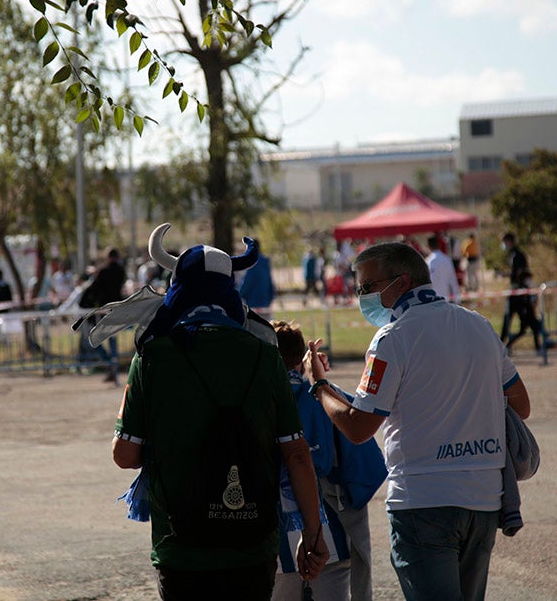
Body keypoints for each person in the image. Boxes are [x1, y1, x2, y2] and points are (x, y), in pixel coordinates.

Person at [112, 225, 328, 600]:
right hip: (252, 546)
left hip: (180, 549)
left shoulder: (152, 358)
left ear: (177, 291)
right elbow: (296, 454)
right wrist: (313, 534)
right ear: (230, 291)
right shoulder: (266, 355)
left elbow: (125, 455)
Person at [305, 241, 531, 601]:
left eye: (366, 288)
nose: (361, 296)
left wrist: (319, 386)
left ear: (402, 282)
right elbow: (521, 404)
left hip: (422, 502)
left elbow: (358, 427)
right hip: (484, 499)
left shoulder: (392, 339)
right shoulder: (480, 326)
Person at [270, 320, 378, 601]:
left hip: (276, 539)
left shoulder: (258, 403)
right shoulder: (328, 396)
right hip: (334, 535)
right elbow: (366, 466)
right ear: (301, 360)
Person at [82, 248, 127, 384]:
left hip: (103, 311)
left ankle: (111, 364)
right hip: (117, 310)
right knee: (113, 341)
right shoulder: (121, 271)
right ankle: (114, 368)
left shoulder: (103, 271)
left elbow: (95, 290)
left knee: (94, 340)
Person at [499, 232, 529, 344]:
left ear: (509, 241)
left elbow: (519, 273)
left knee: (513, 320)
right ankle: (504, 343)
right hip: (517, 291)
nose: (504, 245)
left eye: (505, 242)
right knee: (510, 320)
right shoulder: (514, 255)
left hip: (518, 292)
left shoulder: (517, 255)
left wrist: (509, 275)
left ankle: (503, 343)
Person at [505, 269, 544, 355]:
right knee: (525, 331)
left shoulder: (526, 288)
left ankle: (538, 347)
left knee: (531, 330)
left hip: (529, 314)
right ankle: (507, 346)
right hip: (525, 315)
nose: (530, 280)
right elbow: (522, 303)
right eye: (529, 278)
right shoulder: (520, 289)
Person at [238, 240, 276, 312]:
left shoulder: (251, 262)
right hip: (265, 302)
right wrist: (270, 297)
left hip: (253, 302)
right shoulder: (265, 262)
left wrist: (239, 294)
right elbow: (270, 282)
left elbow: (247, 283)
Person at [425, 235, 461, 303]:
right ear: (439, 245)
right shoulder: (447, 259)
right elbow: (453, 280)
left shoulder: (428, 262)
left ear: (428, 246)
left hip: (433, 300)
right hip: (446, 299)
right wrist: (457, 299)